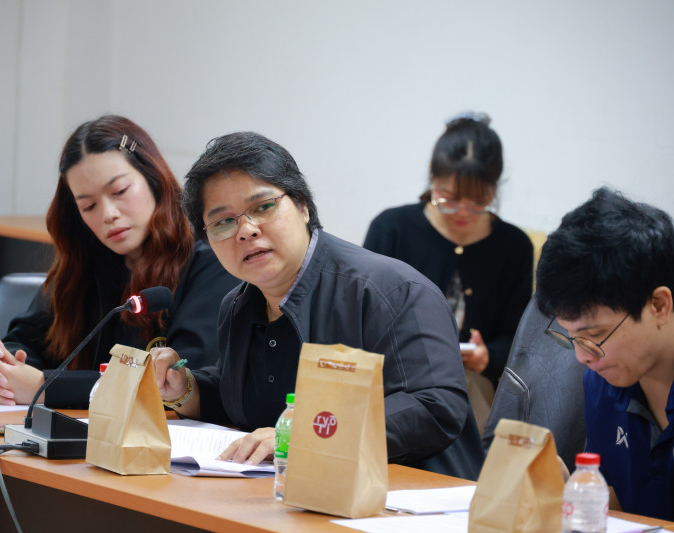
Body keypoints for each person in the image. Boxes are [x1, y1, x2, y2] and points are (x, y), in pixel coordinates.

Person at [153, 131, 484, 480]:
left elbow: (435, 406)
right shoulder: (237, 304)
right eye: (223, 222)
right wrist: (184, 388)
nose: (246, 230)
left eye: (263, 207)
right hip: (287, 495)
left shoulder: (390, 291)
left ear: (302, 205)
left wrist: (308, 434)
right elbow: (242, 396)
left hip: (407, 498)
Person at [0, 115, 239, 408]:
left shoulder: (211, 258)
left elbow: (181, 382)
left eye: (120, 191)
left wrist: (43, 388)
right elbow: (24, 339)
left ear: (153, 179)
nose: (108, 214)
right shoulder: (84, 261)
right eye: (89, 206)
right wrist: (4, 369)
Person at [363, 113, 533, 432]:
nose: (462, 212)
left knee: (467, 398)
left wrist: (489, 356)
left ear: (495, 189)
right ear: (432, 175)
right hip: (394, 378)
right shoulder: (392, 229)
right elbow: (360, 316)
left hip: (470, 384)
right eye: (449, 199)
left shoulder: (513, 246)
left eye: (479, 201)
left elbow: (520, 336)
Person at [535, 187, 674, 521]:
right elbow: (623, 503)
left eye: (595, 336)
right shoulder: (601, 385)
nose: (582, 357)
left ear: (658, 305)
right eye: (571, 337)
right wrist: (565, 491)